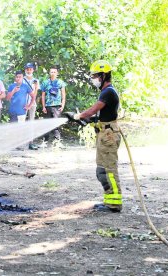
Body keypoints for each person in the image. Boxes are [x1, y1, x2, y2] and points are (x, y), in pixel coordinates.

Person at [73, 60, 122, 212]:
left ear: (103, 75)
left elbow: (94, 109)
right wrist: (91, 121)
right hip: (104, 134)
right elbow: (102, 115)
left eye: (95, 76)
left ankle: (115, 204)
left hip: (109, 136)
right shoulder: (106, 91)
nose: (93, 79)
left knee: (109, 171)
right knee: (102, 171)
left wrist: (79, 116)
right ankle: (109, 201)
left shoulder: (108, 92)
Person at [40, 65, 66, 142]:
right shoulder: (45, 82)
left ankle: (58, 142)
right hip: (48, 106)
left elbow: (63, 95)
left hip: (57, 106)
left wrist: (63, 105)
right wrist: (43, 106)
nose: (53, 73)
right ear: (49, 73)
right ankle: (45, 142)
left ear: (57, 73)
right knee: (46, 124)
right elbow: (43, 95)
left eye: (54, 72)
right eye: (51, 72)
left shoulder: (61, 82)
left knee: (56, 124)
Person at [23, 63, 40, 150]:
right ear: (25, 70)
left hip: (32, 104)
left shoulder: (36, 80)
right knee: (21, 123)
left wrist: (31, 103)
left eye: (30, 69)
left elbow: (35, 93)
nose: (29, 71)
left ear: (33, 70)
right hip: (23, 104)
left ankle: (31, 143)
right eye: (27, 69)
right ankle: (21, 143)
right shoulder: (21, 79)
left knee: (31, 123)